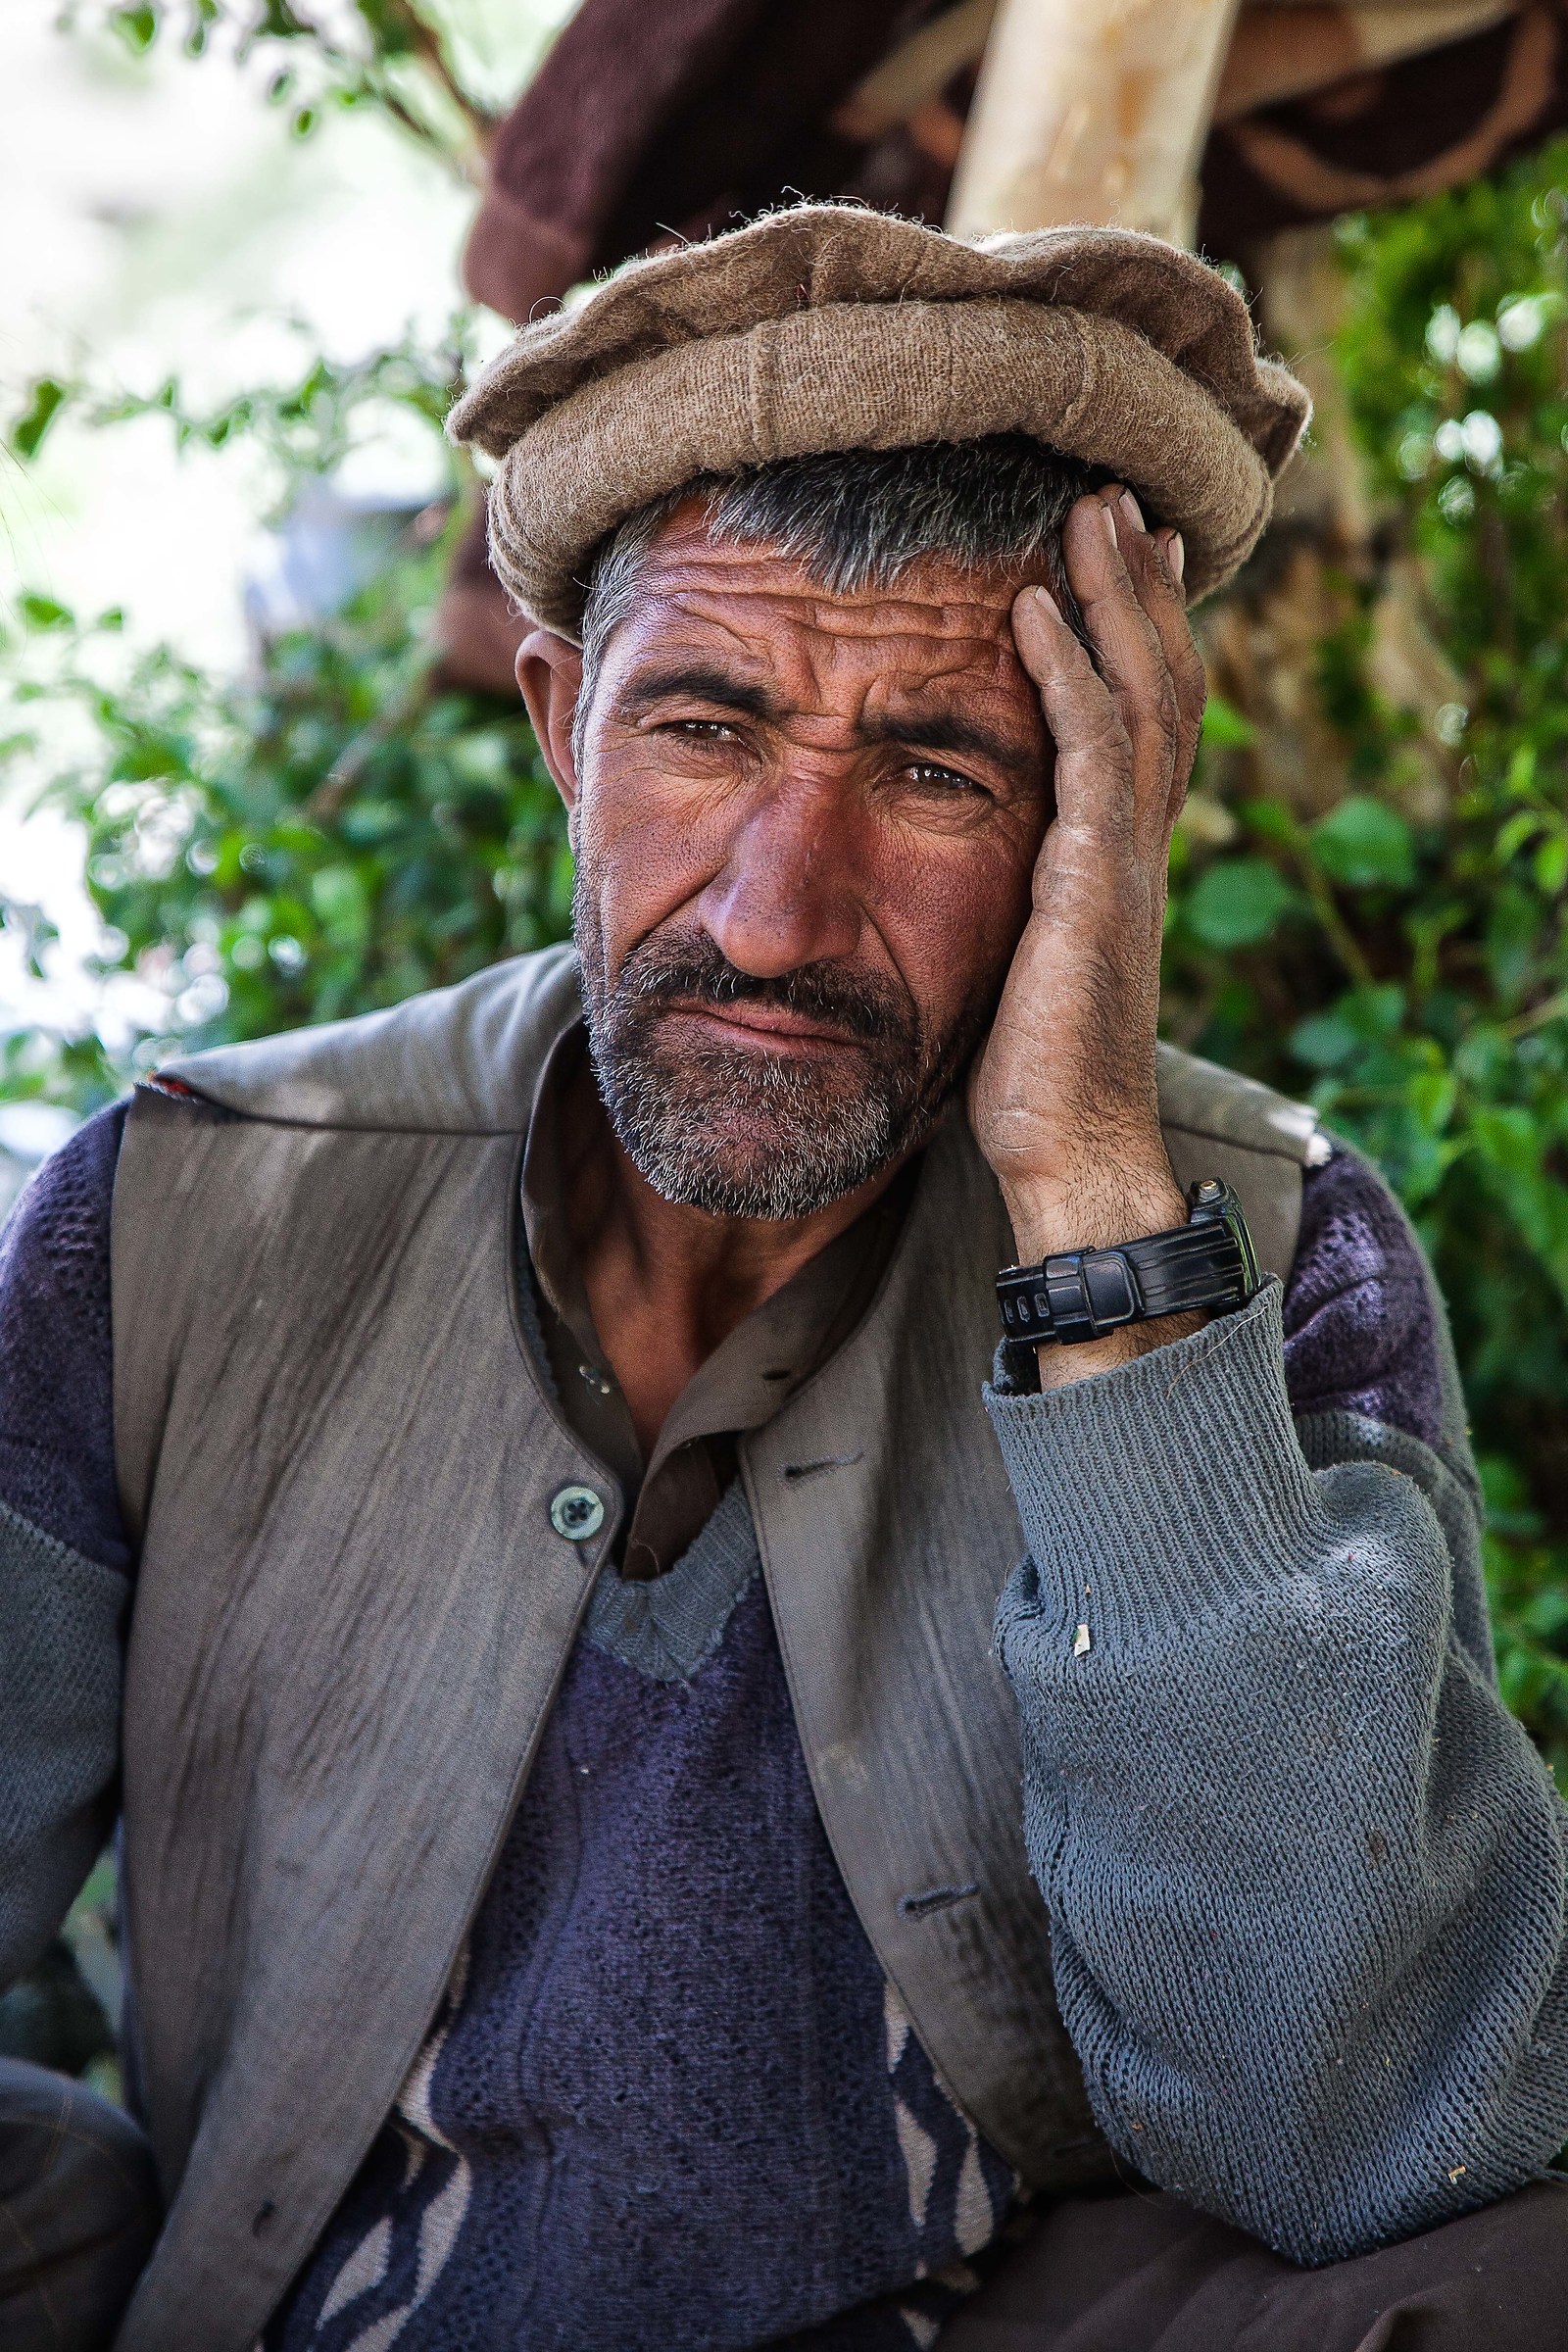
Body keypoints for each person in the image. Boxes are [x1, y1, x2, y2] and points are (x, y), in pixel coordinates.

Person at [2, 202, 1565, 2352]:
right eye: (705, 731)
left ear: (1101, 813)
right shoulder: (185, 1217)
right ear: (560, 721)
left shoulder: (1273, 1248)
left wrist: (1096, 1207)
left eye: (933, 772)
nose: (769, 915)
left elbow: (1364, 2129)